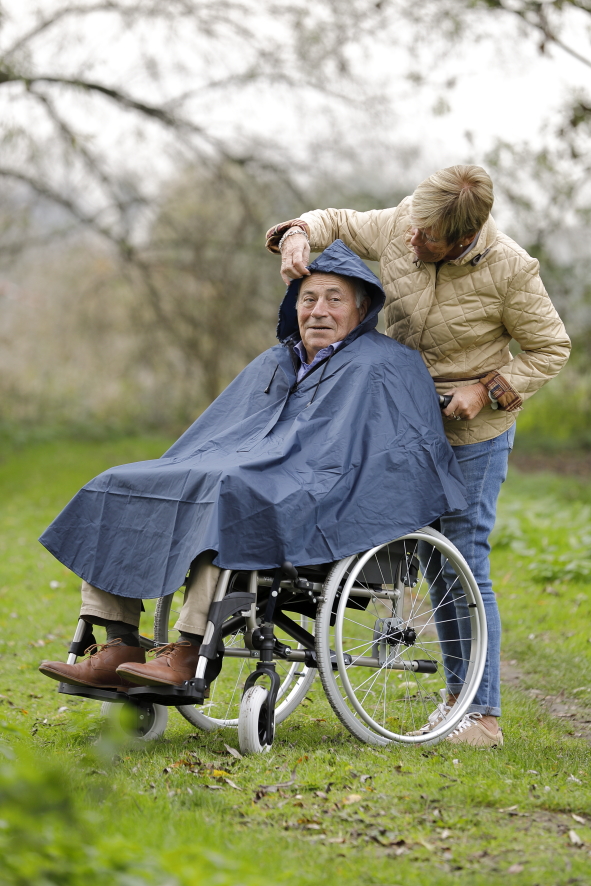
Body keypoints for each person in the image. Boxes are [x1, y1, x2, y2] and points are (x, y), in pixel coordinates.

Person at [38, 241, 467, 694]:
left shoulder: (385, 365)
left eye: (334, 299)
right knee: (118, 485)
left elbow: (398, 457)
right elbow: (218, 435)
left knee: (229, 492)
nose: (318, 311)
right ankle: (117, 643)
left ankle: (188, 650)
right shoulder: (275, 361)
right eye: (308, 299)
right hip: (248, 475)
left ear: (362, 311)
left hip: (322, 498)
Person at [267, 165, 571, 747]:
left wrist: (486, 390)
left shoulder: (511, 269)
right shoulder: (407, 222)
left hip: (470, 434)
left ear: (462, 239)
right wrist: (300, 233)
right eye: (412, 228)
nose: (410, 241)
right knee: (419, 557)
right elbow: (339, 222)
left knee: (461, 560)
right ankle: (448, 688)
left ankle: (479, 714)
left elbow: (549, 346)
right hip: (398, 418)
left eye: (427, 239)